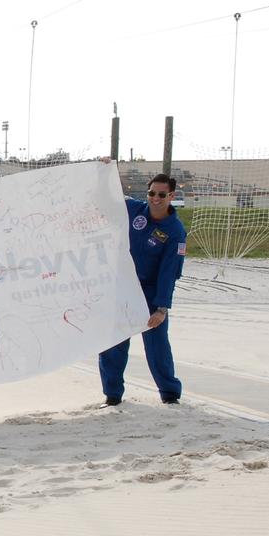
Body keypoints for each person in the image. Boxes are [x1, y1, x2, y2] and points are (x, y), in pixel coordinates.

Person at [98, 170, 186, 406]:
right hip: (123, 287)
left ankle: (169, 393)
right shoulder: (135, 210)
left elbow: (170, 273)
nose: (155, 199)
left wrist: (161, 308)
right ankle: (113, 395)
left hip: (151, 293)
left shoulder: (175, 231)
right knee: (113, 342)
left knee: (157, 346)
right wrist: (103, 171)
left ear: (171, 196)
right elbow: (108, 200)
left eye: (161, 194)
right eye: (151, 193)